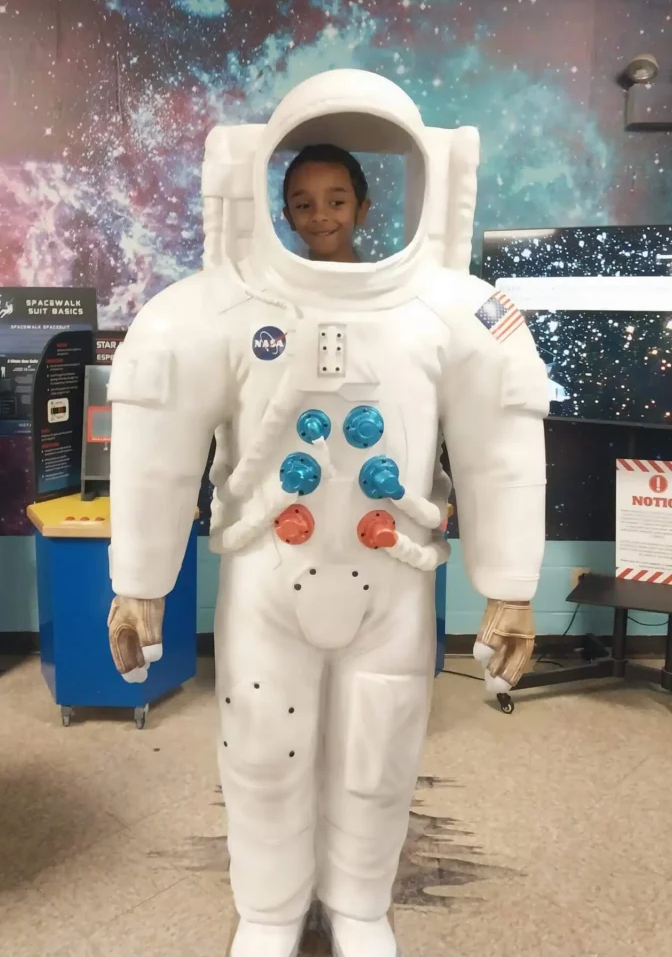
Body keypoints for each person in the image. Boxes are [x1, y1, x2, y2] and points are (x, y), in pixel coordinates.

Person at [106, 69, 547, 957]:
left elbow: (501, 449)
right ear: (275, 199)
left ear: (368, 198)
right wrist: (139, 586)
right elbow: (157, 452)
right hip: (268, 581)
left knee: (377, 760)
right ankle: (268, 912)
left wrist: (510, 590)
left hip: (392, 584)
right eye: (301, 200)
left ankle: (359, 907)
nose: (319, 214)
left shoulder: (456, 312)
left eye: (335, 197)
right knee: (263, 757)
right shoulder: (221, 309)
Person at [282, 144, 370, 264]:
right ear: (289, 217)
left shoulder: (385, 278)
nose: (319, 216)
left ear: (361, 211)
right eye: (304, 206)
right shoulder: (276, 279)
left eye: (336, 203)